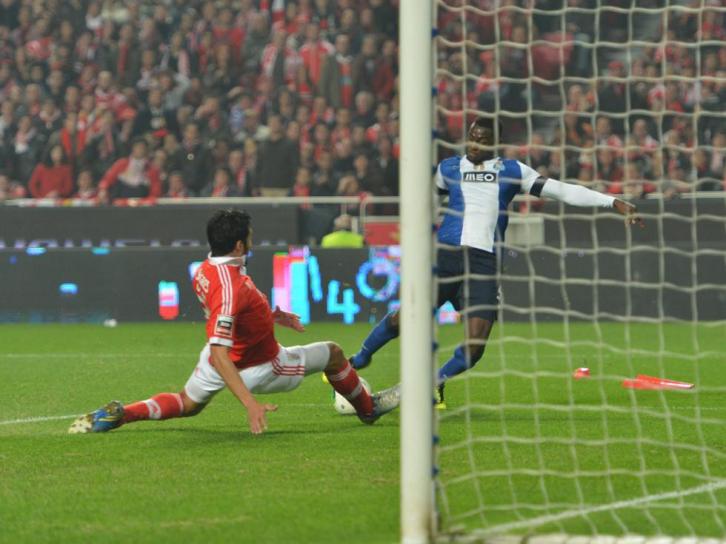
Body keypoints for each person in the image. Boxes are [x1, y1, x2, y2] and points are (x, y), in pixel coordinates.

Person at [349, 117, 644, 406]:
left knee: (475, 348)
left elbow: (563, 190)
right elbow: (426, 201)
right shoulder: (448, 167)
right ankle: (359, 359)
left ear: (496, 143)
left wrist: (612, 201)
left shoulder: (513, 170)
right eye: (472, 136)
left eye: (482, 139)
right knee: (406, 318)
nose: (474, 143)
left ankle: (433, 383)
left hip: (484, 264)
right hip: (447, 257)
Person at [69, 209, 399, 435]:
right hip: (259, 365)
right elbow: (222, 342)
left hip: (215, 362)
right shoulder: (231, 287)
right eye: (250, 237)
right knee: (334, 353)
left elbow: (228, 319)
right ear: (239, 244)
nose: (252, 240)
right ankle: (367, 409)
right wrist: (250, 404)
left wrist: (269, 315)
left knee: (186, 404)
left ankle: (121, 414)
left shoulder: (206, 269)